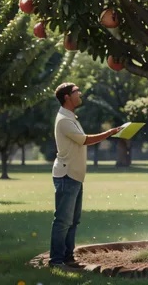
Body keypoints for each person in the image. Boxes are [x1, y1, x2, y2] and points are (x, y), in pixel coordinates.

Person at [50, 82, 123, 268]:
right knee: (63, 221)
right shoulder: (64, 120)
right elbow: (85, 140)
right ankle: (56, 261)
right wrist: (110, 132)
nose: (80, 93)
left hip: (74, 176)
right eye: (76, 91)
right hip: (66, 175)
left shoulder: (71, 117)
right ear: (67, 96)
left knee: (73, 221)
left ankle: (68, 258)